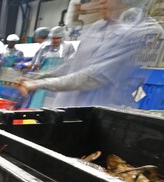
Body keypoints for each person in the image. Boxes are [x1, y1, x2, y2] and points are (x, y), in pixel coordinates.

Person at [18, 0, 163, 108]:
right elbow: (72, 64)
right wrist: (37, 76)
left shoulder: (130, 35)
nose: (101, 3)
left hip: (96, 112)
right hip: (65, 108)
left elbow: (92, 77)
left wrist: (38, 83)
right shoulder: (97, 27)